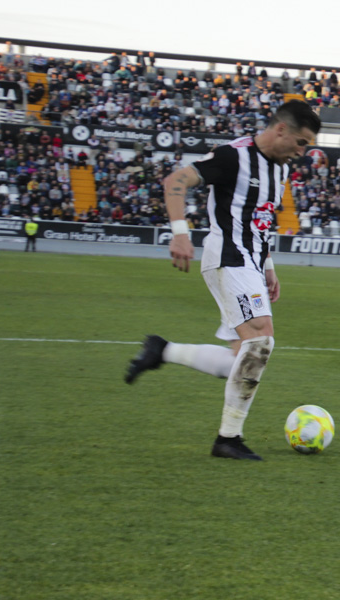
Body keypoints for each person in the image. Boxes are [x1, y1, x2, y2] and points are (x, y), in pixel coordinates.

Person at [124, 100, 321, 461]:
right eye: (301, 142)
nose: (302, 151)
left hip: (249, 261)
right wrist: (180, 233)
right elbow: (176, 181)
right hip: (229, 256)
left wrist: (269, 266)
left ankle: (162, 350)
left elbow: (259, 222)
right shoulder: (233, 156)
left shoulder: (281, 171)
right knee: (261, 340)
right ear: (281, 130)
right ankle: (228, 438)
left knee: (241, 361)